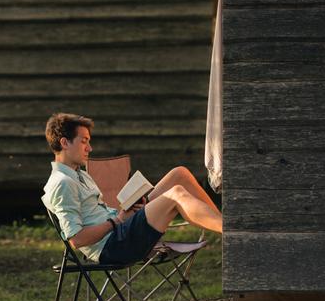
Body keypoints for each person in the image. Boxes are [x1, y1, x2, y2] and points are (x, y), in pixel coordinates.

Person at [41, 112, 223, 265]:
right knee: (176, 194)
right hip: (114, 246)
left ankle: (224, 225)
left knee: (179, 174)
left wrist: (129, 212)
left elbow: (97, 215)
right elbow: (77, 240)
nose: (89, 148)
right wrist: (117, 221)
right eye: (84, 141)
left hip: (121, 231)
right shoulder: (62, 183)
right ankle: (231, 231)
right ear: (65, 143)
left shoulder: (80, 175)